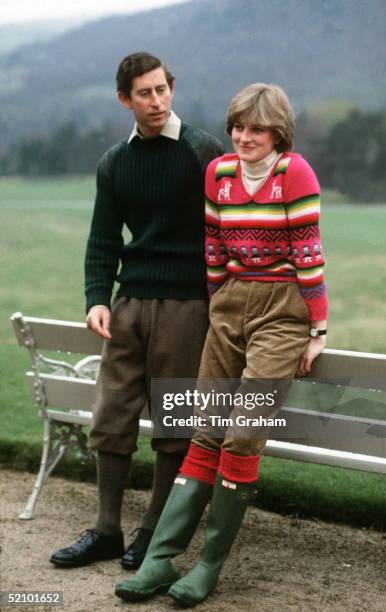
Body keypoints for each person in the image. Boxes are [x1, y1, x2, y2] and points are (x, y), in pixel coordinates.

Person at [115, 83, 329, 605]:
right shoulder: (219, 174)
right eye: (237, 127)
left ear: (277, 132)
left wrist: (318, 328)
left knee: (243, 433)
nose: (243, 136)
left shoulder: (292, 172)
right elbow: (213, 243)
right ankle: (161, 560)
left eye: (256, 129)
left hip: (283, 310)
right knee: (206, 429)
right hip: (230, 304)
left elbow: (308, 250)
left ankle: (207, 566)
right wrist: (219, 305)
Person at [49, 52, 224, 570]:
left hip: (188, 307)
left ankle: (152, 533)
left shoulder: (202, 152)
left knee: (173, 419)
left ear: (172, 89)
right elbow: (102, 238)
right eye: (144, 93)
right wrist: (97, 299)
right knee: (112, 413)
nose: (156, 101)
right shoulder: (114, 163)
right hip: (127, 306)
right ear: (125, 99)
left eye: (162, 90)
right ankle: (106, 530)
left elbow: (224, 232)